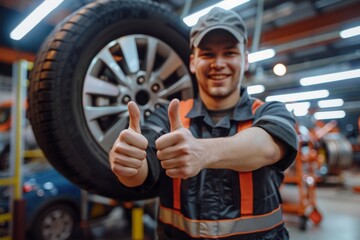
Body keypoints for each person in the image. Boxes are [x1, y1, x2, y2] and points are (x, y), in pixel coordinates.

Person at [109, 7, 298, 240]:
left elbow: (267, 148)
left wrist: (204, 152)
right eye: (207, 54)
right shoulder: (167, 117)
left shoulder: (270, 111)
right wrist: (128, 164)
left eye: (229, 53)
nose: (218, 63)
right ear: (192, 62)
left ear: (246, 60)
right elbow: (143, 167)